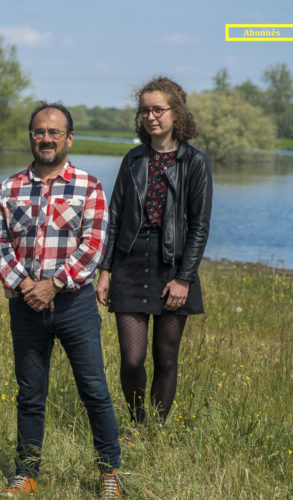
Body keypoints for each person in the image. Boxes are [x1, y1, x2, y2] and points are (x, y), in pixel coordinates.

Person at [0, 102, 123, 499]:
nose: (45, 139)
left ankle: (110, 471)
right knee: (30, 393)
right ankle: (26, 473)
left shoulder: (89, 186)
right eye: (38, 131)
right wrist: (25, 285)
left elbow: (94, 245)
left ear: (69, 138)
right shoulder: (7, 189)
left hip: (74, 305)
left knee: (94, 390)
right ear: (30, 136)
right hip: (25, 305)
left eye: (54, 132)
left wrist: (55, 285)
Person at [95, 77, 212, 425]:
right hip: (130, 263)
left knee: (166, 357)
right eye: (145, 110)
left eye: (158, 109)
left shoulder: (194, 162)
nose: (151, 116)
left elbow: (199, 226)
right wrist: (105, 270)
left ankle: (156, 430)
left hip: (173, 265)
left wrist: (184, 278)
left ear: (176, 113)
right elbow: (114, 216)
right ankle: (136, 420)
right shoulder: (133, 159)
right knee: (132, 359)